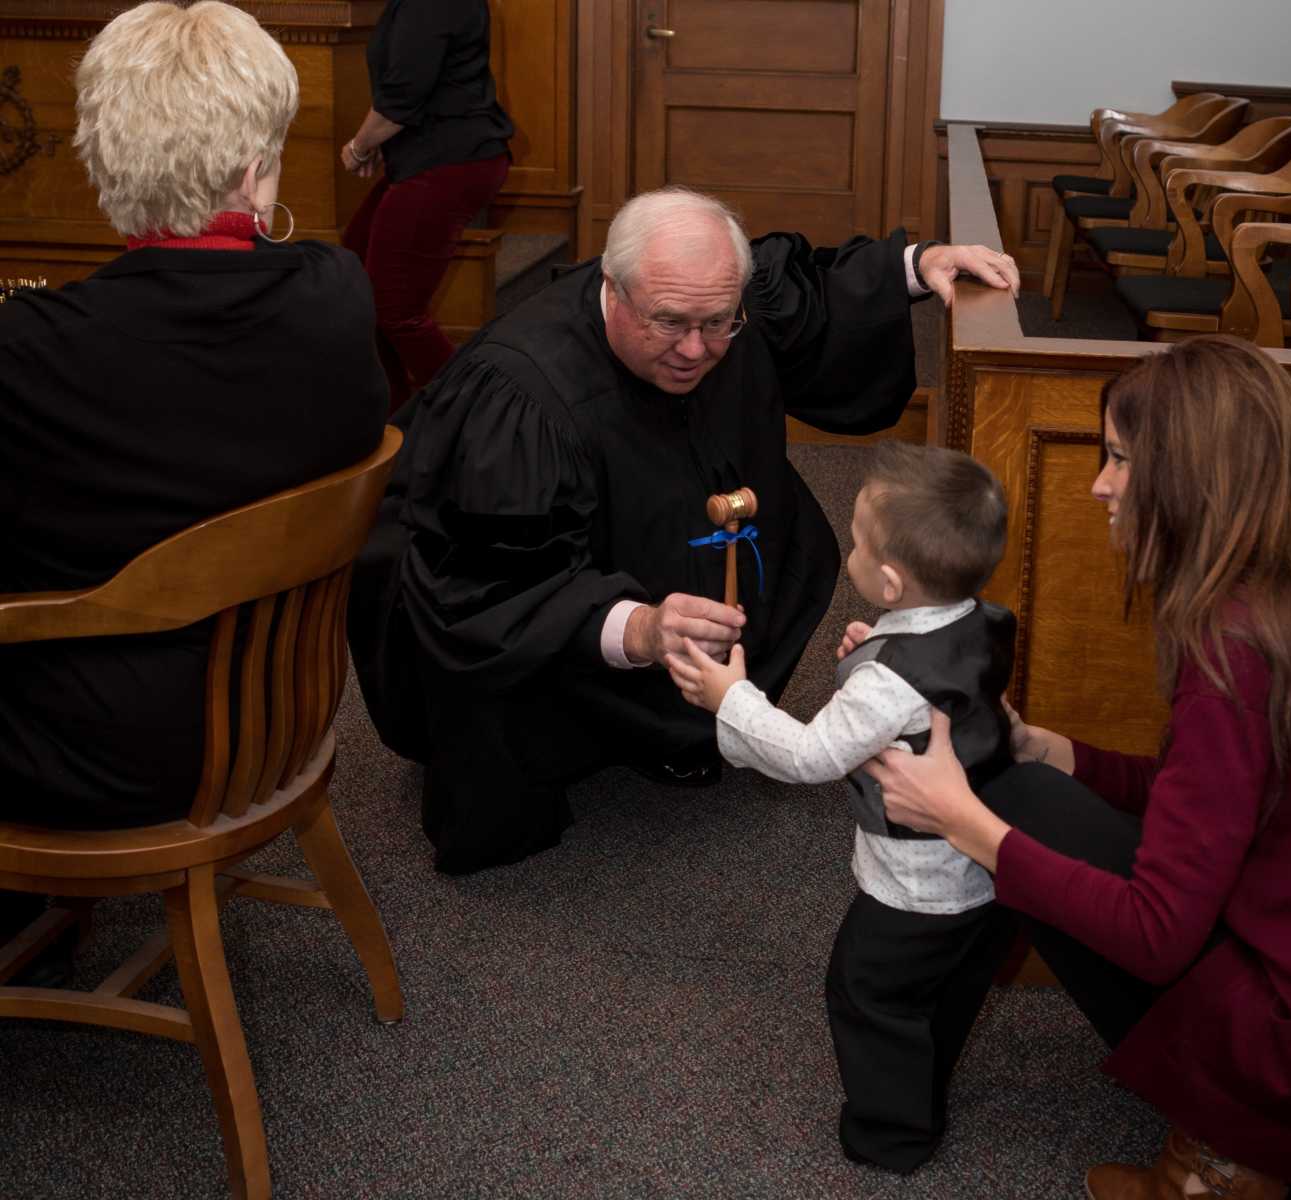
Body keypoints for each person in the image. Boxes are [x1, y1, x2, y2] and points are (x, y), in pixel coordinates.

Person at [865, 335, 1291, 1197]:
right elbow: (1217, 809)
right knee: (1034, 782)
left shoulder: (1237, 650)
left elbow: (1155, 936)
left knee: (1013, 806)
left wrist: (966, 824)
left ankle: (1228, 1157)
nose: (1099, 483)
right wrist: (1055, 749)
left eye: (1121, 459)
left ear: (1188, 478)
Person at [348, 184, 1021, 875]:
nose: (695, 351)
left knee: (795, 545)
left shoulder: (714, 296)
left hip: (689, 528)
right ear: (613, 289)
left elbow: (807, 293)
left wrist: (917, 264)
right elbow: (492, 579)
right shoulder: (523, 395)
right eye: (668, 323)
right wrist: (639, 628)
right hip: (540, 575)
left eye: (718, 323)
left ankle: (693, 725)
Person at [0, 1, 387, 967]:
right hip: (273, 718)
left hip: (98, 754)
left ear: (103, 165)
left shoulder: (34, 357)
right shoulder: (338, 296)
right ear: (256, 167)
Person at [666, 442, 1017, 1174]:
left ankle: (893, 1134)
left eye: (856, 543)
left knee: (868, 993)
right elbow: (926, 679)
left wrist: (731, 699)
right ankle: (928, 1080)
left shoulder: (888, 685)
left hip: (915, 885)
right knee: (948, 984)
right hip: (985, 864)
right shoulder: (980, 617)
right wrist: (875, 652)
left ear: (889, 582)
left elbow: (807, 756)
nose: (849, 550)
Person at [340, 0, 514, 412]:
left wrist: (359, 147)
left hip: (451, 159)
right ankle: (391, 417)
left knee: (395, 308)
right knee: (355, 271)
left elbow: (401, 98)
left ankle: (480, 417)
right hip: (431, 154)